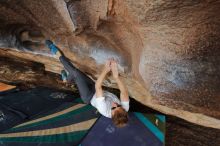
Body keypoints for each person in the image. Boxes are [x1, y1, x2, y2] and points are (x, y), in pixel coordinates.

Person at [45, 40, 130, 127]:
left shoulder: (103, 109)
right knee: (77, 74)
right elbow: (124, 92)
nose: (115, 104)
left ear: (111, 114)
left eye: (113, 108)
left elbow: (98, 87)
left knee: (75, 73)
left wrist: (105, 70)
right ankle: (67, 80)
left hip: (88, 96)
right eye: (118, 105)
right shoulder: (125, 108)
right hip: (95, 89)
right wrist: (116, 77)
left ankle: (55, 52)